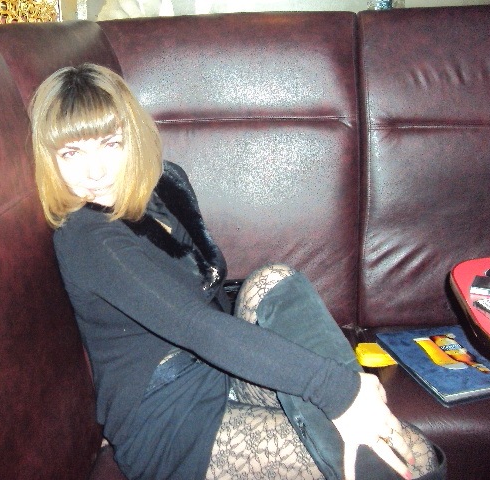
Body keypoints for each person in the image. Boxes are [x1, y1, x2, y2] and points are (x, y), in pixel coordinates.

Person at [29, 63, 446, 480]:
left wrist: (340, 391)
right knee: (411, 460)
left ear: (133, 138)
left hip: (215, 370)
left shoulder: (166, 185)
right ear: (49, 160)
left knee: (273, 279)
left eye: (110, 143)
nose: (96, 171)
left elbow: (208, 296)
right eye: (71, 153)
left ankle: (363, 419)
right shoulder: (87, 237)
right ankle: (361, 418)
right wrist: (339, 390)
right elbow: (192, 324)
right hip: (168, 416)